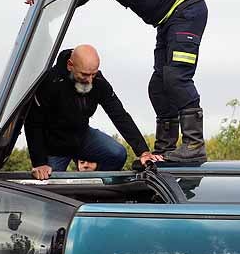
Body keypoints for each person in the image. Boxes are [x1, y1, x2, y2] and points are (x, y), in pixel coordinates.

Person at [55, 0, 209, 164]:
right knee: (158, 86)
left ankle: (194, 145)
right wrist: (52, 5)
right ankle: (165, 149)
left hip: (186, 11)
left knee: (176, 77)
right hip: (167, 22)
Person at [25, 45, 161, 180]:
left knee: (117, 153)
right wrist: (39, 163)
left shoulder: (98, 82)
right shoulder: (50, 82)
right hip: (54, 145)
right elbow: (33, 123)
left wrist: (143, 151)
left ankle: (100, 191)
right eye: (84, 74)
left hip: (82, 136)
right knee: (49, 184)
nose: (90, 79)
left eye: (93, 74)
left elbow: (119, 114)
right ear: (70, 65)